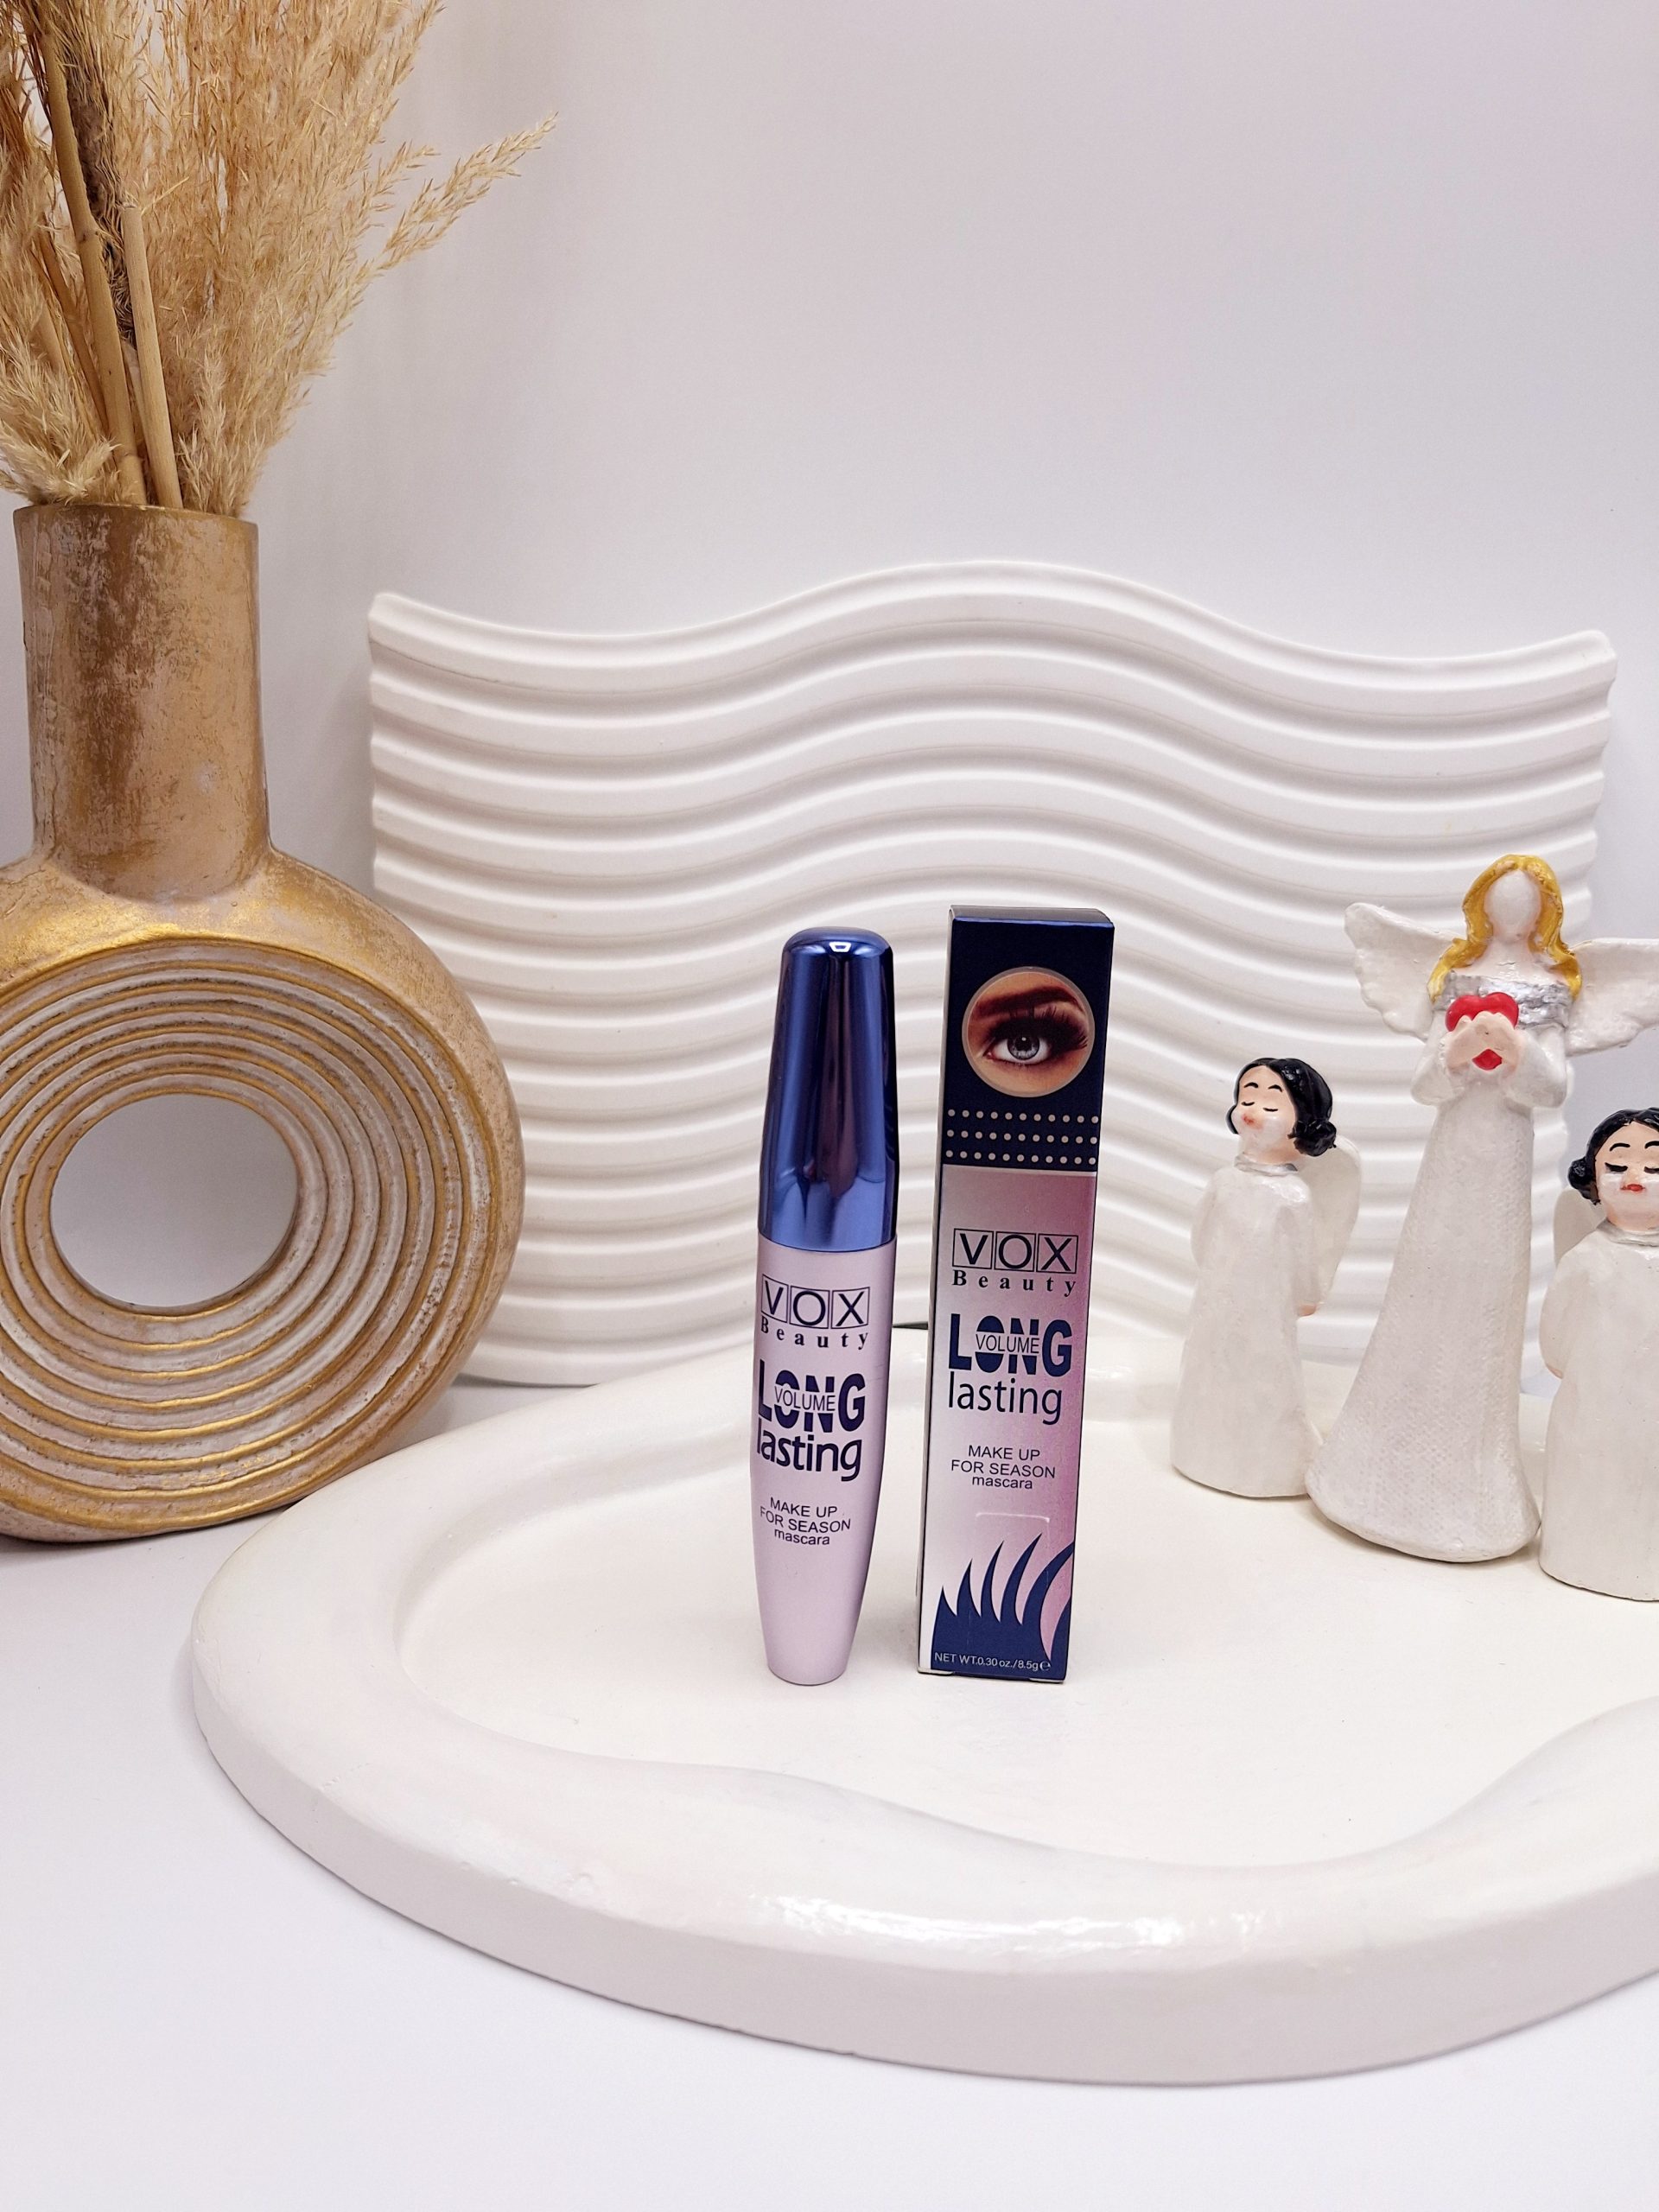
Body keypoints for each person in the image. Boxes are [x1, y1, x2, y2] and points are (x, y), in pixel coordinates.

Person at [1308, 853, 1659, 1561]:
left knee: (1485, 1298)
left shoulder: (1553, 986)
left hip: (1502, 1156)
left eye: (1528, 898)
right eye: (1502, 896)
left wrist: (1518, 1049)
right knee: (1424, 1284)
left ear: (1545, 909)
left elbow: (1551, 1089)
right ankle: (1370, 1472)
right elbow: (1425, 1085)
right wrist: (1457, 1050)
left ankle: (1472, 1488)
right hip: (1451, 1154)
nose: (1513, 909)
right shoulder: (1455, 977)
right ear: (1483, 904)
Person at [1171, 1057, 1358, 1498]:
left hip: (1265, 1303)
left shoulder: (1292, 1196)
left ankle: (1264, 1464)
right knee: (1210, 1363)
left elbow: (1303, 1255)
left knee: (1262, 1371)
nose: (1253, 1111)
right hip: (1218, 1295)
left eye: (1272, 1105)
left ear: (1302, 1123)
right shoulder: (1224, 1181)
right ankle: (1201, 1449)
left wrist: (1306, 1294)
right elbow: (1202, 1236)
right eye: (1247, 1099)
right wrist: (1215, 1275)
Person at [1539, 1109, 1659, 1599]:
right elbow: (1556, 1340)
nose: (1635, 1177)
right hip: (1593, 1401)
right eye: (1617, 1165)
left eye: (1654, 1167)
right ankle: (1577, 1554)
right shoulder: (1588, 1256)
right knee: (1590, 1471)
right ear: (1592, 1176)